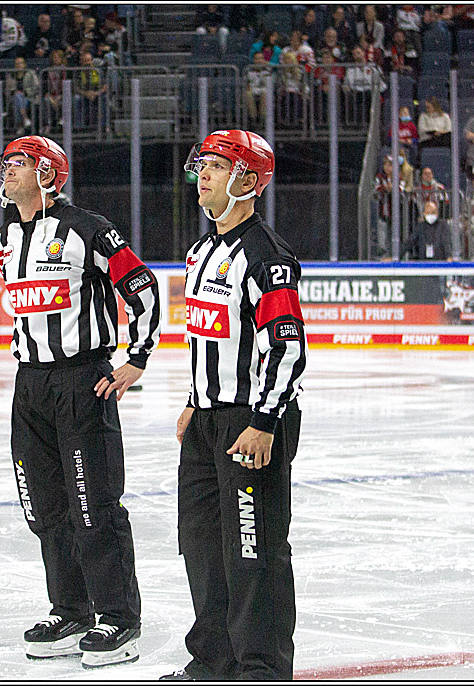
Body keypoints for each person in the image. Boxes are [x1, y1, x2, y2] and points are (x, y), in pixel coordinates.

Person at [0, 135, 160, 668]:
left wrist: (137, 357)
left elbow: (144, 287)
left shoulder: (87, 228)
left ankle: (119, 618)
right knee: (45, 507)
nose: (8, 171)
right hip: (30, 385)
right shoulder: (4, 238)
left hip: (81, 381)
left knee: (94, 506)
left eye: (19, 163)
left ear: (49, 173)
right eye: (7, 164)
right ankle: (70, 609)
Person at [163, 130, 305, 681]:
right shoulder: (203, 252)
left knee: (254, 555)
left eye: (216, 167)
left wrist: (263, 421)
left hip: (252, 424)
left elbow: (286, 346)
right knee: (201, 548)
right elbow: (210, 338)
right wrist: (195, 403)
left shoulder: (267, 257)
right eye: (201, 165)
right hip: (206, 424)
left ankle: (261, 669)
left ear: (247, 181)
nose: (203, 175)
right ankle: (213, 662)